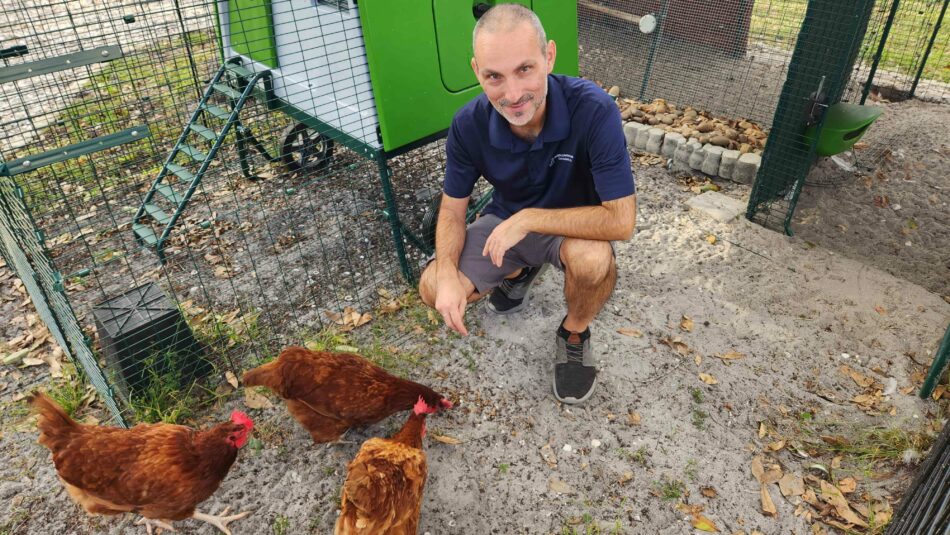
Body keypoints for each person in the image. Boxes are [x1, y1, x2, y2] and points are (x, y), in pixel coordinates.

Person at [418, 3, 636, 405]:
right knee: (433, 287)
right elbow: (452, 210)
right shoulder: (467, 124)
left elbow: (621, 221)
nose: (513, 94)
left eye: (525, 69)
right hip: (506, 222)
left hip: (572, 229)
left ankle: (573, 332)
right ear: (475, 72)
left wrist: (530, 218)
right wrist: (447, 272)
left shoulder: (594, 110)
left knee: (592, 262)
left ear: (549, 56)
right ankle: (518, 267)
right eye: (493, 77)